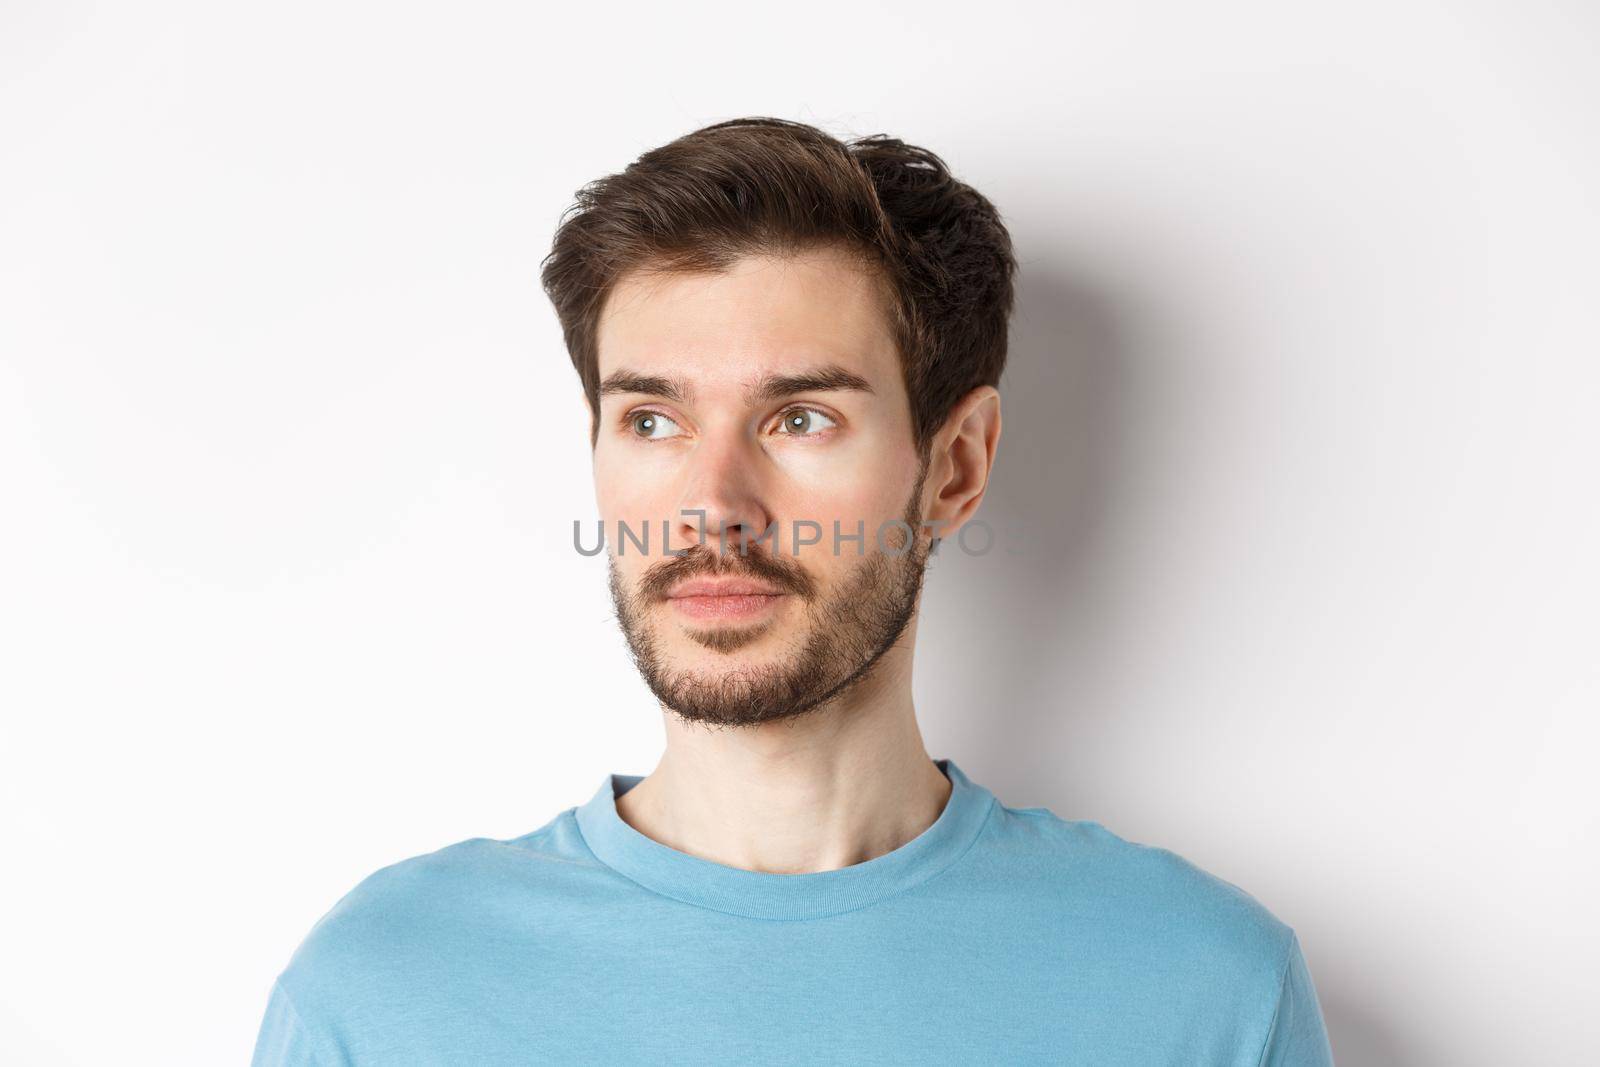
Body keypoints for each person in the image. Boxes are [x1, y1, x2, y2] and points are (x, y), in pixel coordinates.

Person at [250, 116, 1336, 1065]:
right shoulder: (383, 992)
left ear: (953, 465)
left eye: (799, 418)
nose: (711, 503)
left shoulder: (1200, 989)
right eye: (652, 420)